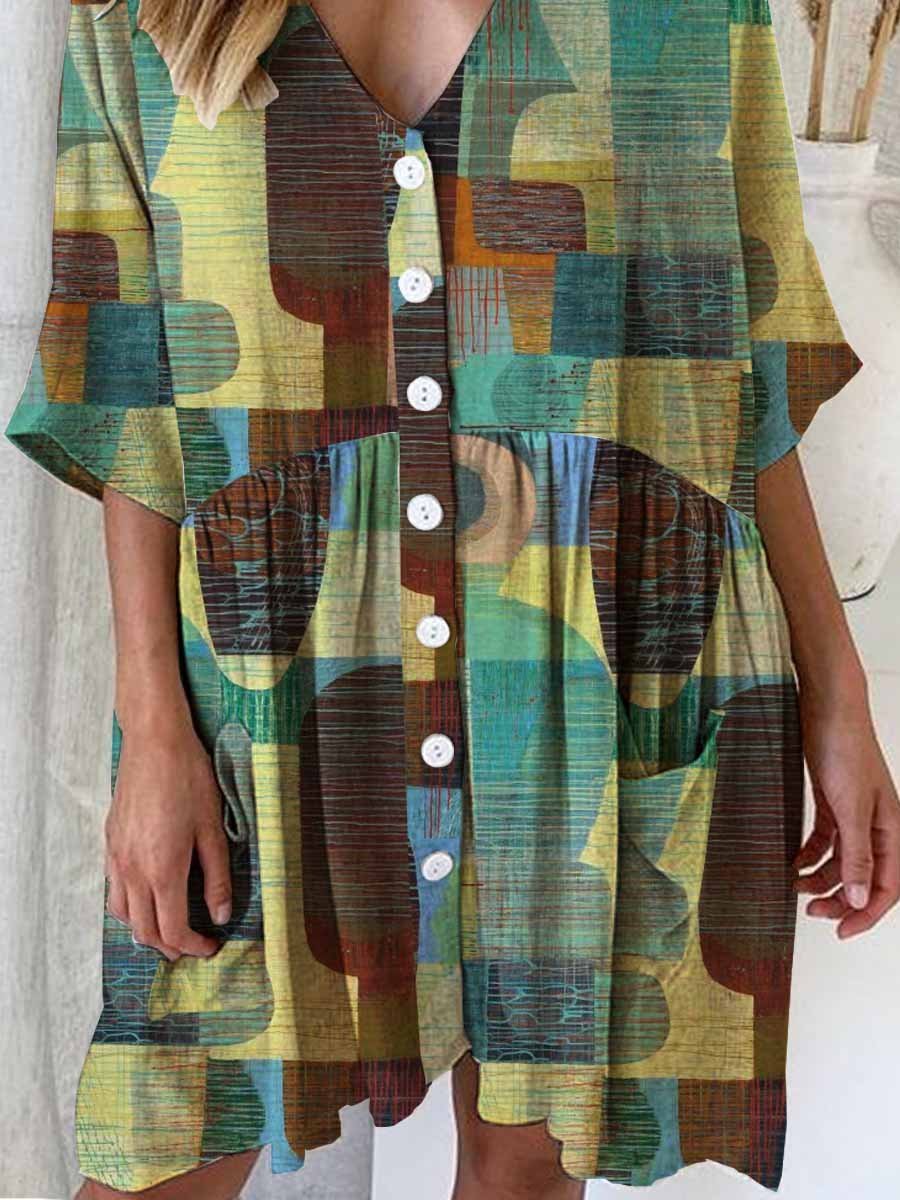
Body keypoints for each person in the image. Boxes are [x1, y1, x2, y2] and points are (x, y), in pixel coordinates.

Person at [5, 0, 900, 1197]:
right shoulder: (139, 13)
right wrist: (153, 726)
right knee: (164, 1150)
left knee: (526, 1170)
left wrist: (838, 693)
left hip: (590, 682)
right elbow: (127, 388)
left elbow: (750, 362)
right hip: (270, 699)